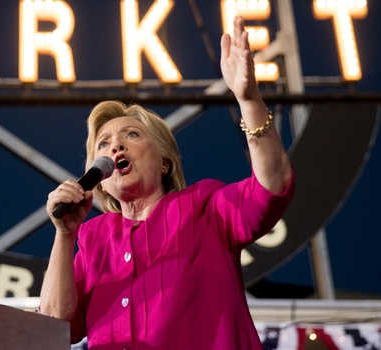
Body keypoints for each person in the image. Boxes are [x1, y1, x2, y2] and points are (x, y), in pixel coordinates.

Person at [40, 16, 294, 349]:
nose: (115, 146)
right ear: (100, 181)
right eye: (103, 144)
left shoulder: (204, 206)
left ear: (164, 162)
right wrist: (64, 234)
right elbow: (53, 328)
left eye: (131, 134)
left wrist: (249, 101)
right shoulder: (91, 239)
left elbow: (271, 188)